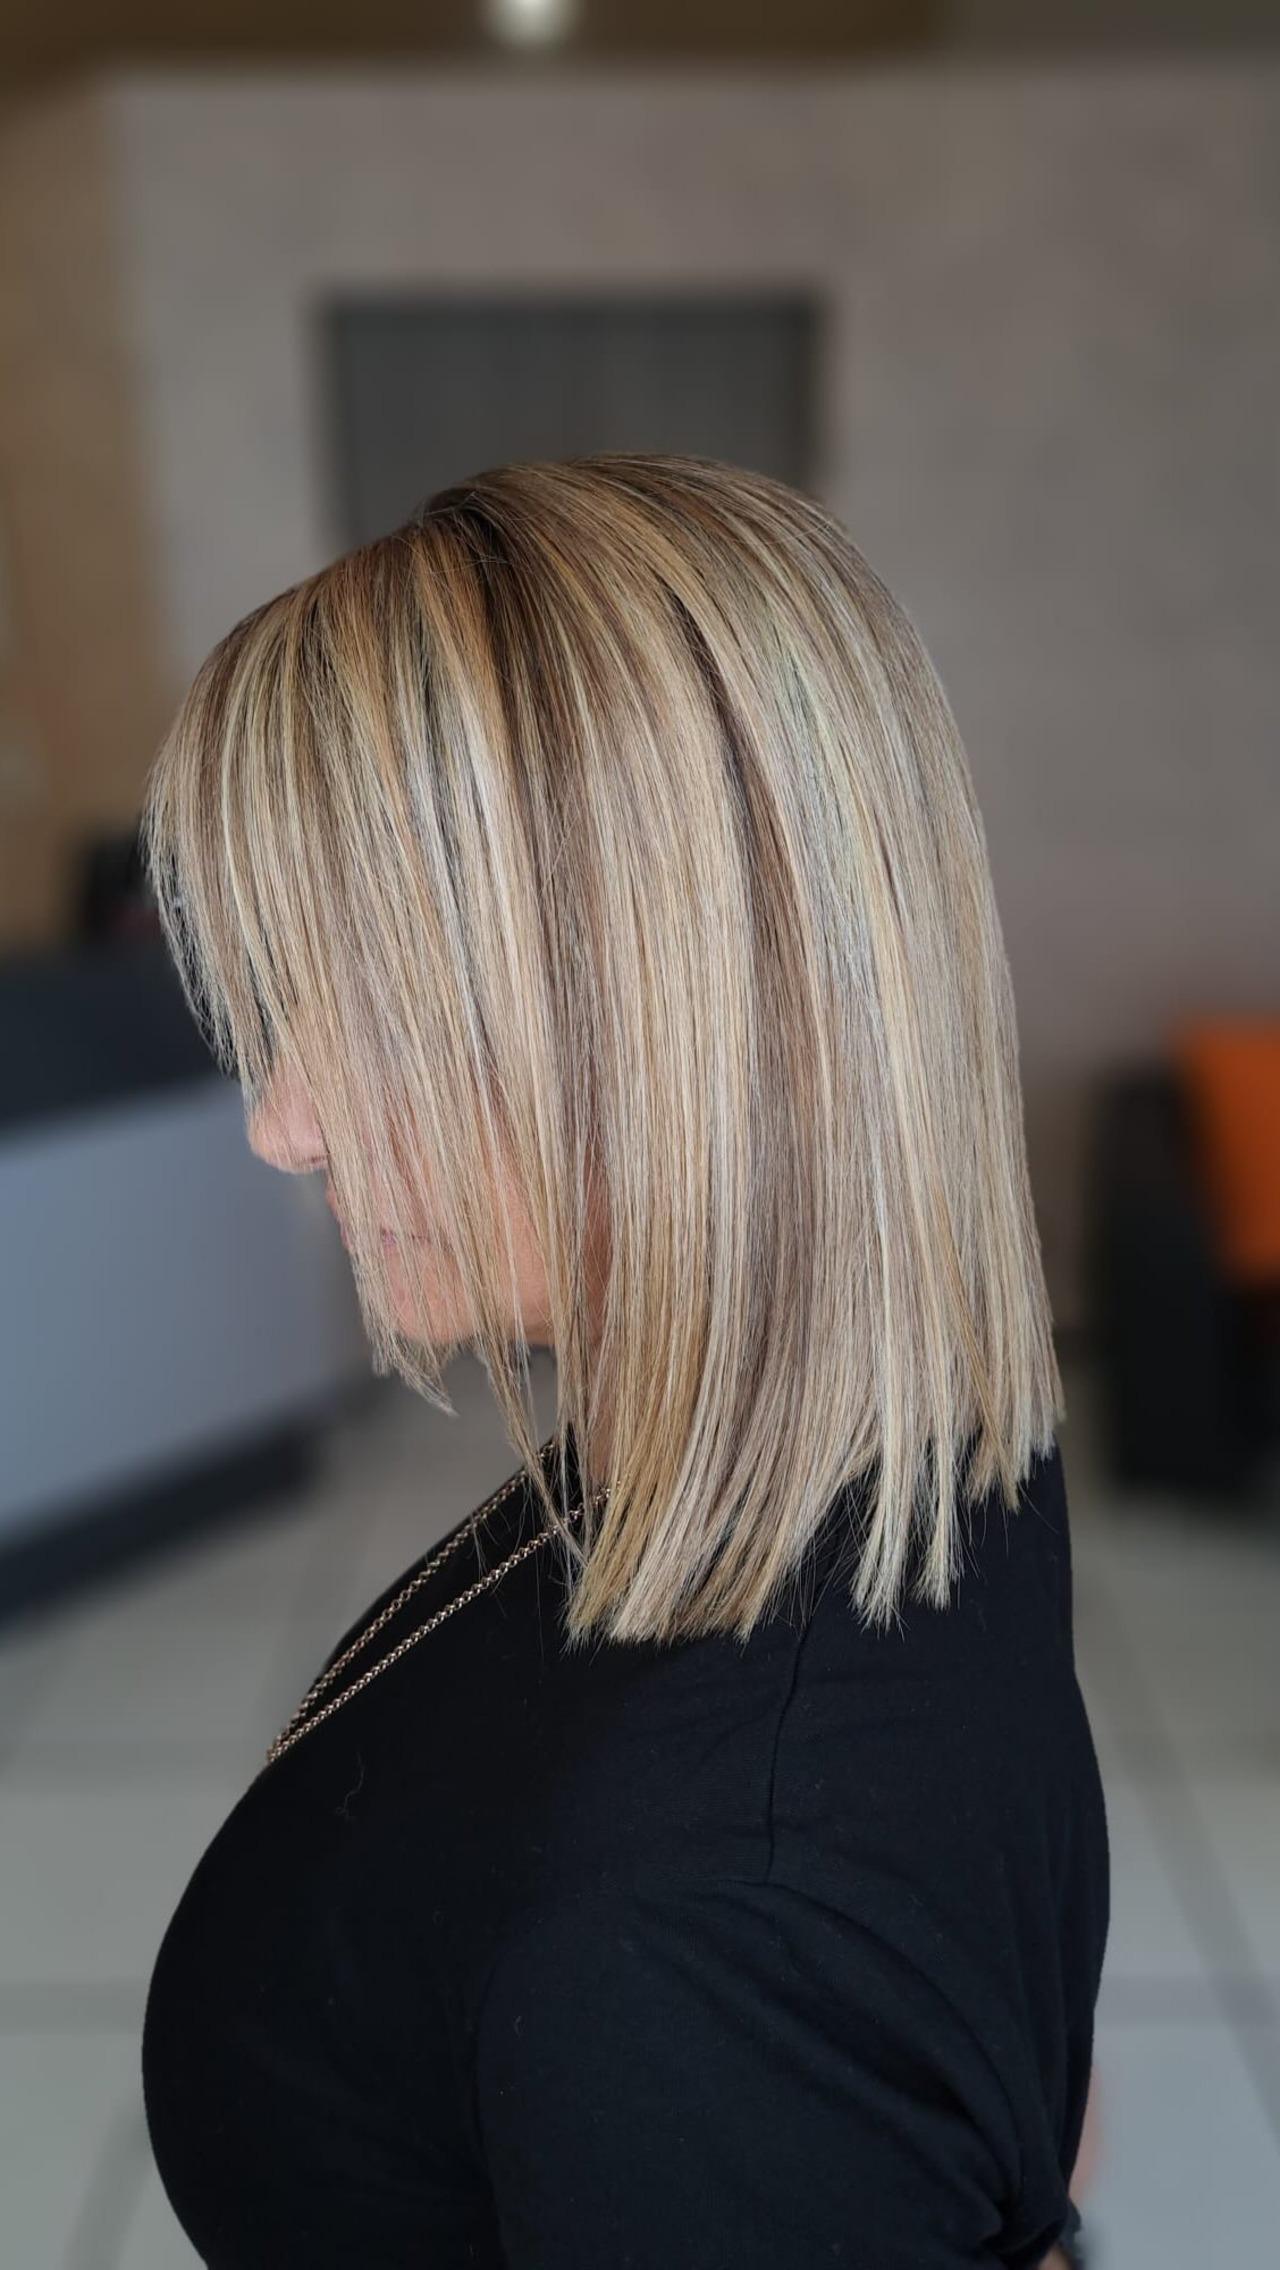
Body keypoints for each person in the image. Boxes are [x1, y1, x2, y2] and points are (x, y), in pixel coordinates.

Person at [138, 452, 1108, 2268]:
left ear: (688, 1024)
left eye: (374, 1004)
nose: (282, 1121)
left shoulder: (705, 1934)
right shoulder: (926, 1426)